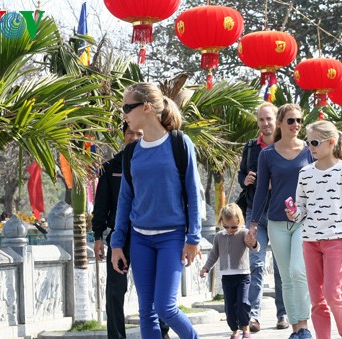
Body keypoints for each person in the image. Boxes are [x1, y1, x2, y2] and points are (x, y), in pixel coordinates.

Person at [110, 82, 202, 339]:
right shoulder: (131, 152)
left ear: (147, 107)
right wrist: (117, 242)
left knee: (165, 307)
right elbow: (125, 199)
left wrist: (193, 238)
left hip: (171, 237)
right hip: (140, 238)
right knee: (146, 312)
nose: (124, 113)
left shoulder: (179, 143)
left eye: (128, 107)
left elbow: (193, 193)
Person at [287, 120, 342, 339]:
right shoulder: (305, 173)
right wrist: (294, 213)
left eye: (314, 142)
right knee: (317, 300)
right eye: (308, 142)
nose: (310, 147)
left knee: (333, 295)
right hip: (309, 241)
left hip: (336, 241)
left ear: (330, 143)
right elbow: (301, 208)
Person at [93, 123, 170, 339]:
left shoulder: (156, 163)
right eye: (130, 133)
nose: (134, 138)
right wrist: (98, 236)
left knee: (156, 288)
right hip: (119, 239)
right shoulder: (111, 166)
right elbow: (101, 204)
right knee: (115, 292)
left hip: (149, 235)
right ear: (123, 135)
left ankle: (162, 333)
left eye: (139, 133)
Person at [250, 103, 313, 339]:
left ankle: (305, 326)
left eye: (299, 120)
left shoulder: (309, 151)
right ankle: (295, 328)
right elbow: (260, 193)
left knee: (298, 271)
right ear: (280, 123)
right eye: (291, 121)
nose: (296, 125)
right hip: (276, 222)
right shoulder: (267, 154)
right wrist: (254, 223)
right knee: (286, 277)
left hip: (303, 222)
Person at [238, 102, 288, 332]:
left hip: (279, 213)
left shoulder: (286, 146)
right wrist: (245, 180)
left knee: (280, 265)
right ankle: (253, 316)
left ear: (277, 120)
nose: (265, 124)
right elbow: (241, 175)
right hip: (254, 212)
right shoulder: (250, 148)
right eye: (261, 120)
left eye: (269, 119)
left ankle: (283, 314)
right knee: (256, 264)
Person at [200, 203, 259, 339]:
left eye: (234, 227)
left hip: (243, 276)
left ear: (240, 222)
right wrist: (206, 268)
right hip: (227, 277)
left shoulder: (244, 233)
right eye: (226, 226)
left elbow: (255, 248)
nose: (230, 230)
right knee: (229, 307)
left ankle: (246, 328)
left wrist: (253, 242)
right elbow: (214, 254)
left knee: (242, 303)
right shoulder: (219, 236)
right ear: (221, 222)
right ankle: (234, 330)